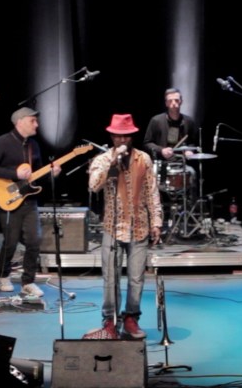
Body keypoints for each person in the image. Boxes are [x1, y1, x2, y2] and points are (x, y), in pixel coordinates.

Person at [86, 114, 163, 339]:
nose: (122, 140)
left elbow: (151, 192)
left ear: (132, 137)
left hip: (139, 226)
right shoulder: (102, 159)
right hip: (113, 227)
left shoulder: (143, 159)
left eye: (126, 136)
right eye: (118, 136)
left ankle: (131, 318)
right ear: (112, 137)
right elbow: (93, 186)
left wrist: (156, 221)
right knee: (110, 278)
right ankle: (109, 321)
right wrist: (111, 163)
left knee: (136, 278)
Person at [0, 107, 59, 297]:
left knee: (34, 240)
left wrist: (51, 174)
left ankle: (28, 281)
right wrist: (14, 173)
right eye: (33, 121)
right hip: (8, 198)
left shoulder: (34, 145)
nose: (37, 125)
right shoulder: (3, 141)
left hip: (29, 200)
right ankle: (2, 275)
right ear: (20, 121)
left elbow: (36, 175)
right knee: (11, 242)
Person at [143, 88, 200, 196]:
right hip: (162, 164)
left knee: (192, 173)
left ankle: (192, 205)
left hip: (181, 164)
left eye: (176, 100)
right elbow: (147, 143)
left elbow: (193, 143)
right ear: (166, 103)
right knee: (151, 177)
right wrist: (161, 150)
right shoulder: (156, 121)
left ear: (181, 101)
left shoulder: (189, 121)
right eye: (170, 101)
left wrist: (189, 151)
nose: (173, 103)